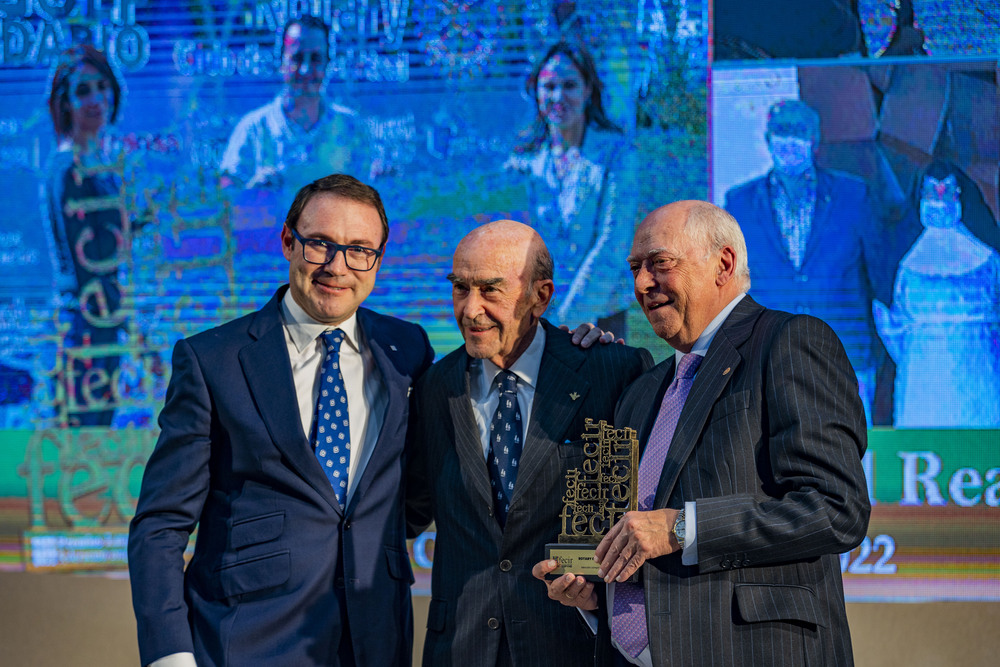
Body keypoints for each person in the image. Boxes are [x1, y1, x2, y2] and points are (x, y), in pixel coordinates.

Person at [534, 201, 871, 666]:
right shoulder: (642, 391)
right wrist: (597, 596)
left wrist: (681, 528)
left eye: (660, 264)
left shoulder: (790, 342)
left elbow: (836, 508)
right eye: (635, 268)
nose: (641, 284)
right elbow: (640, 541)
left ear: (724, 264)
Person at [128, 174, 434, 667]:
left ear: (378, 260)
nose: (338, 266)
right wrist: (169, 654)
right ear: (288, 242)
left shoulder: (408, 349)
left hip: (376, 643)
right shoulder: (213, 359)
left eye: (359, 249)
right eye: (320, 245)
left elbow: (417, 487)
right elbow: (161, 524)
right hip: (245, 643)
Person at [406, 220, 652, 666]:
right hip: (460, 649)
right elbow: (411, 507)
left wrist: (596, 590)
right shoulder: (434, 386)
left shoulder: (611, 372)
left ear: (541, 296)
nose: (470, 309)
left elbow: (645, 507)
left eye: (490, 290)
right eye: (460, 288)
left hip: (573, 644)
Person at [724, 99, 898, 424]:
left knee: (849, 464)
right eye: (781, 132)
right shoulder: (740, 202)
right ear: (767, 140)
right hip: (769, 361)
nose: (789, 142)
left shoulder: (854, 195)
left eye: (799, 132)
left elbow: (880, 275)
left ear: (815, 141)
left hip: (846, 359)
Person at [505, 41, 637, 335]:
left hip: (602, 320)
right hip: (538, 319)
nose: (558, 96)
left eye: (569, 85)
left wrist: (568, 320)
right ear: (536, 92)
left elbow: (613, 243)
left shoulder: (618, 154)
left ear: (588, 90)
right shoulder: (523, 161)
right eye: (549, 86)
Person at [873, 160, 1000, 427]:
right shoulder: (900, 257)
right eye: (932, 192)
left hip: (977, 365)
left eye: (948, 191)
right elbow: (887, 320)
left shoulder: (988, 257)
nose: (940, 200)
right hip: (923, 370)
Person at [43, 44, 129, 426]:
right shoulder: (68, 167)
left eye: (101, 86)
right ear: (65, 104)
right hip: (86, 327)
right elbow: (88, 263)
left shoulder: (95, 162)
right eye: (82, 91)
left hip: (101, 322)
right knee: (84, 449)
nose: (96, 99)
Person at [219, 16, 370, 192]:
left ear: (328, 64)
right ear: (281, 63)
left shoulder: (352, 129)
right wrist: (253, 192)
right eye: (297, 58)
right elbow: (226, 203)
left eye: (315, 59)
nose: (305, 69)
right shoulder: (253, 129)